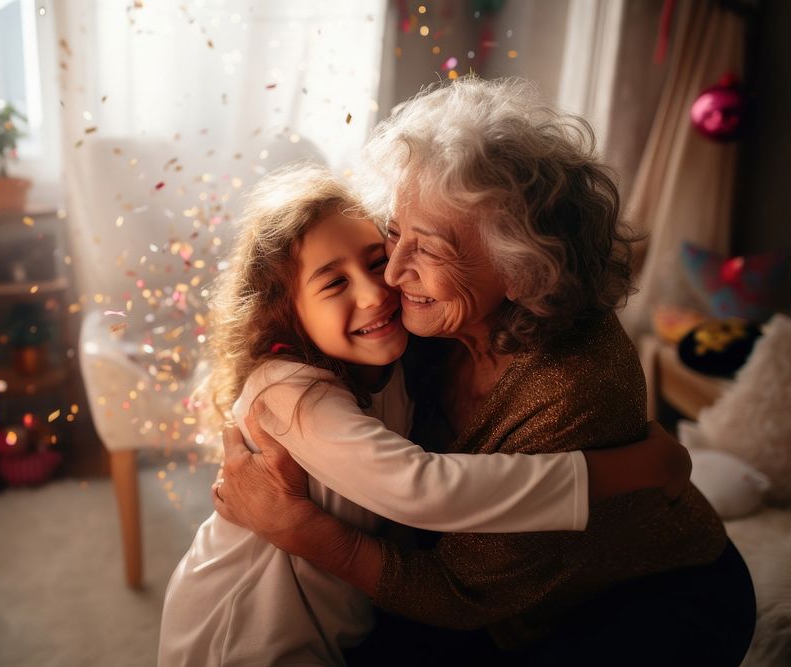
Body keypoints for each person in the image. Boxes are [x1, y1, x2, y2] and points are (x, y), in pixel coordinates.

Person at [212, 78, 757, 666]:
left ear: (521, 271)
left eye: (430, 249)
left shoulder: (577, 388)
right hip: (476, 580)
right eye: (394, 235)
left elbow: (456, 593)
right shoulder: (413, 323)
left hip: (635, 606)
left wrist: (298, 529)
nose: (391, 275)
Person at [158, 164, 692, 667]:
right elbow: (423, 489)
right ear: (284, 313)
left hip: (330, 624)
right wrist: (630, 471)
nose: (376, 290)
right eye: (333, 283)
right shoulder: (288, 395)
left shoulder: (391, 364)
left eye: (374, 261)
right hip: (244, 629)